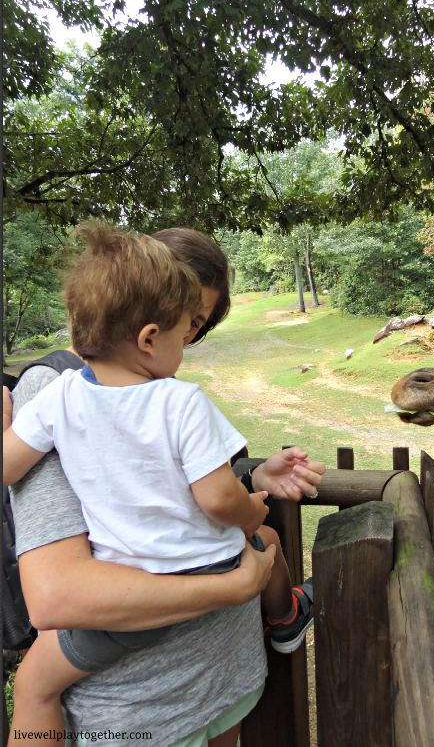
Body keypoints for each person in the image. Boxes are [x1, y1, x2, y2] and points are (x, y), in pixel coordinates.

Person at [5, 225, 325, 747]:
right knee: (35, 685)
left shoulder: (87, 397)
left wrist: (250, 475)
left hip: (224, 678)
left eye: (198, 325)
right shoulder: (65, 392)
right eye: (185, 323)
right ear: (149, 331)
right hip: (141, 710)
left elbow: (156, 478)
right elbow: (54, 596)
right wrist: (244, 541)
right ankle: (286, 614)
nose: (189, 341)